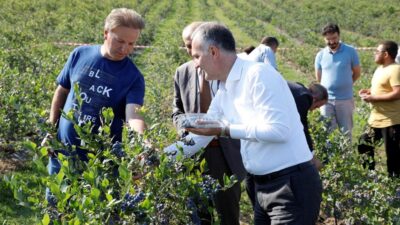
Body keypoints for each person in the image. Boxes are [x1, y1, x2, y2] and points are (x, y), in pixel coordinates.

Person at [188, 22, 322, 225]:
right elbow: (203, 131)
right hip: (260, 186)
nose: (196, 65)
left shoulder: (258, 75)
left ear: (213, 51)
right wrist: (159, 159)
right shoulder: (225, 87)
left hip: (290, 186)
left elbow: (279, 130)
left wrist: (225, 129)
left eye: (197, 56)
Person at [45, 8, 147, 201]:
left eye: (132, 43)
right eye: (120, 41)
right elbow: (62, 91)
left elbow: (133, 115)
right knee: (56, 205)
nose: (125, 49)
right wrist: (51, 129)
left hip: (101, 159)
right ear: (106, 33)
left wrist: (143, 143)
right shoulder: (79, 54)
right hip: (63, 151)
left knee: (94, 210)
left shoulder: (133, 77)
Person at [172, 22, 246, 225]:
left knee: (227, 211)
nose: (190, 51)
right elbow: (176, 110)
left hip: (224, 152)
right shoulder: (182, 72)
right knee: (197, 212)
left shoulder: (227, 71)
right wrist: (186, 126)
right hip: (195, 153)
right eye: (187, 46)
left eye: (194, 46)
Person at [245, 81, 327, 207]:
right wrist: (311, 155)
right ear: (315, 98)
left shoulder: (297, 88)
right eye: (316, 107)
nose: (312, 110)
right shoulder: (304, 97)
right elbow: (301, 127)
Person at [358, 40, 400, 178]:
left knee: (392, 155)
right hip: (375, 119)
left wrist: (374, 99)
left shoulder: (396, 69)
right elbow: (382, 88)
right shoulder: (380, 69)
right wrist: (369, 91)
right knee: (364, 144)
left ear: (386, 54)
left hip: (391, 120)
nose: (374, 54)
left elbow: (397, 93)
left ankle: (394, 186)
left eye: (377, 51)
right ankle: (369, 175)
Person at [315, 23, 361, 140]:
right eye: (328, 39)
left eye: (334, 38)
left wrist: (346, 83)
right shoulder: (320, 55)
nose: (332, 42)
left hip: (345, 99)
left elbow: (356, 72)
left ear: (339, 36)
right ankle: (329, 158)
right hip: (326, 101)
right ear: (324, 39)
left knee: (346, 133)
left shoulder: (350, 51)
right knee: (327, 133)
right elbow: (319, 77)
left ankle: (346, 158)